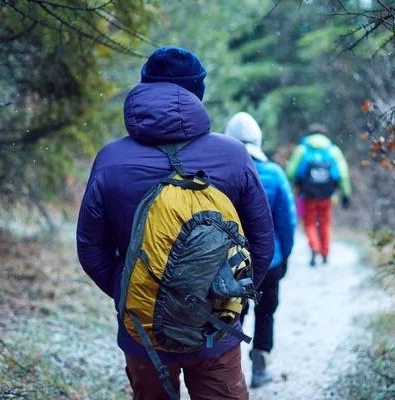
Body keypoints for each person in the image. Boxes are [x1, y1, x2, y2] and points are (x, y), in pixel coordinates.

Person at [76, 47, 275, 400]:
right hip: (216, 326)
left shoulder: (110, 160)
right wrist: (229, 297)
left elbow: (92, 250)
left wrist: (133, 292)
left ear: (143, 88)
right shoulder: (233, 155)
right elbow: (261, 240)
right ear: (197, 93)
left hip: (142, 329)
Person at [224, 112, 296, 388]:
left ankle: (229, 374)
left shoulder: (220, 174)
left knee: (230, 315)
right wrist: (285, 254)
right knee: (266, 312)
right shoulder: (275, 174)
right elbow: (286, 222)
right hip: (270, 262)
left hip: (230, 264)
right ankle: (260, 367)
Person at [286, 124, 351, 266]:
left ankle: (314, 247)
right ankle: (325, 253)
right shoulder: (333, 150)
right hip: (328, 195)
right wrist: (346, 194)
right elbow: (343, 173)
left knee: (309, 222)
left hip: (307, 194)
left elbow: (290, 172)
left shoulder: (302, 149)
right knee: (325, 223)